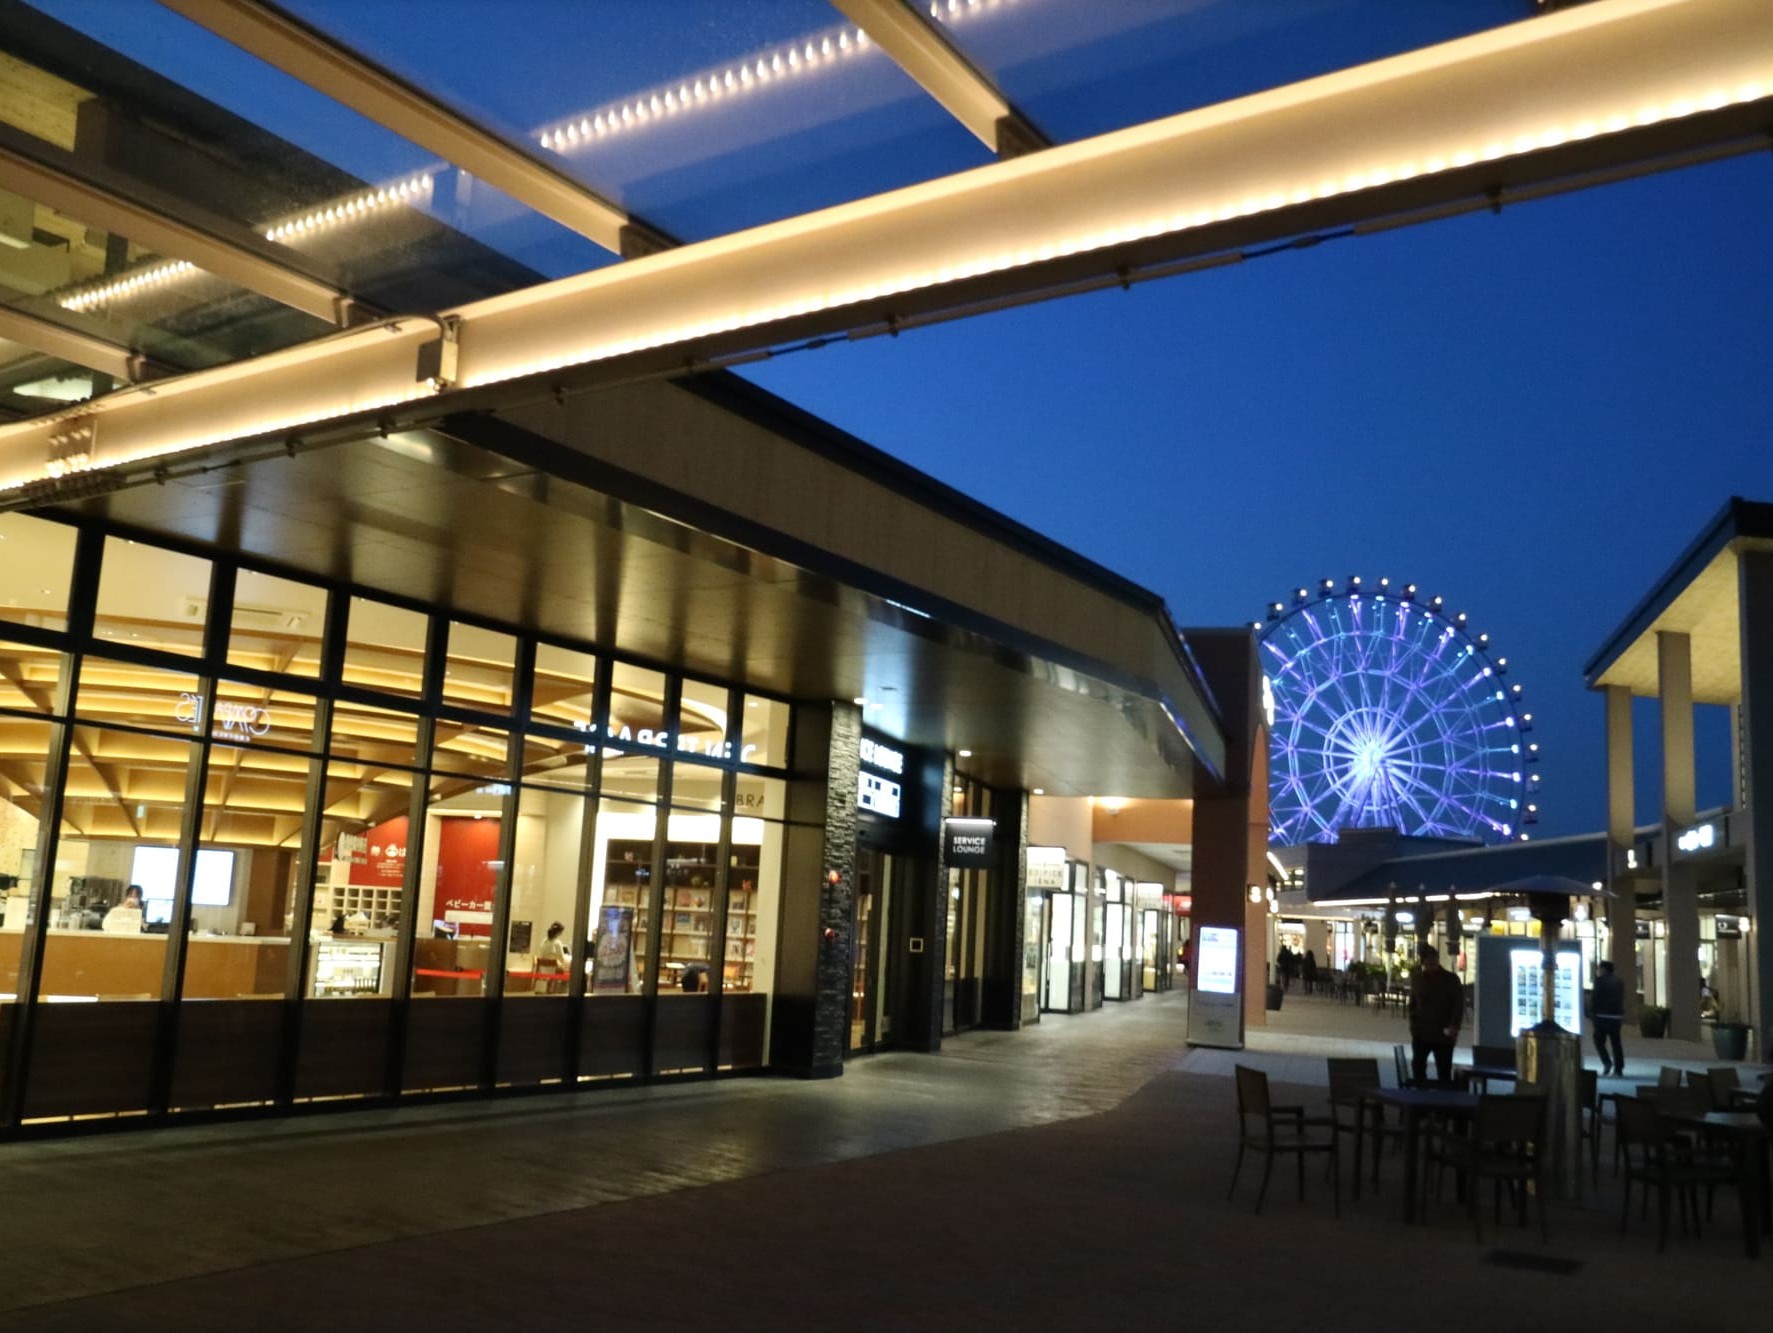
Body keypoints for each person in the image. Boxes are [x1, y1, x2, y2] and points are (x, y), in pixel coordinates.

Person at [1407, 942, 1463, 1084]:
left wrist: (1453, 1027)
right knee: (1418, 1067)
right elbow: (1412, 1004)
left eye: (1434, 962)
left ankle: (1443, 1094)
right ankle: (1420, 1093)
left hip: (1443, 1034)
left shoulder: (1451, 980)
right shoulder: (1417, 979)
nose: (1431, 966)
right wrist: (1414, 1026)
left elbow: (1458, 1005)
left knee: (1444, 1070)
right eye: (1428, 963)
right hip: (1422, 1033)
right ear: (1423, 962)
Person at [1592, 959, 1626, 1076]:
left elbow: (1595, 998)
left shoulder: (1599, 981)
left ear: (1604, 969)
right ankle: (1618, 1069)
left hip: (1602, 1016)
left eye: (1599, 968)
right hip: (1616, 1017)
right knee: (1616, 1043)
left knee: (1598, 1041)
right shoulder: (1619, 982)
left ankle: (1607, 1062)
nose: (1598, 970)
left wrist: (1592, 1013)